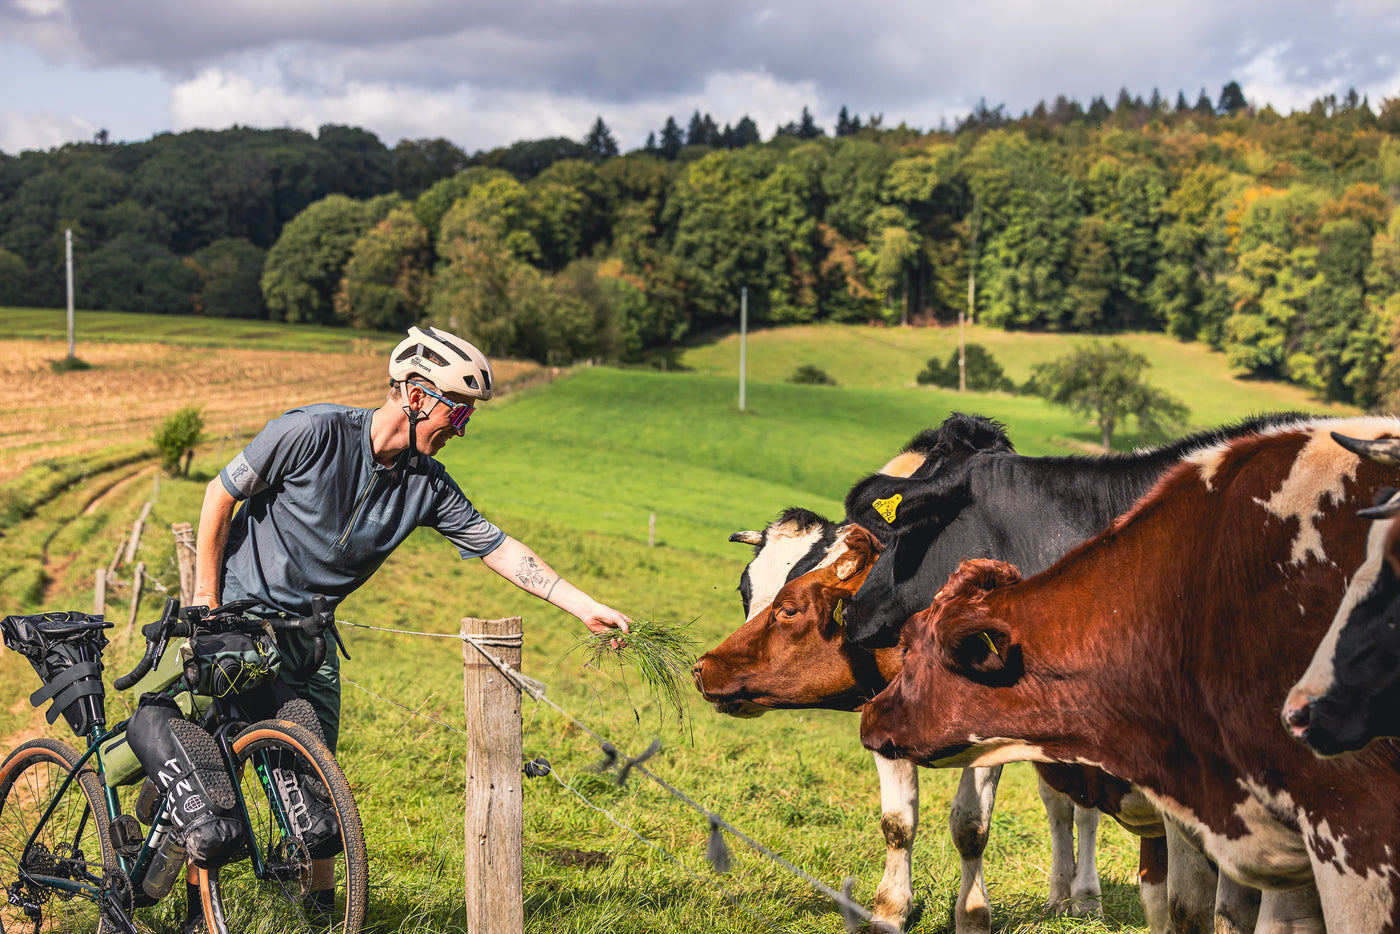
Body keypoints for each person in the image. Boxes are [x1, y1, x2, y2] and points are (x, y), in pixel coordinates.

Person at [177, 325, 631, 931]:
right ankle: (187, 903)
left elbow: (500, 548)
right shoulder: (311, 432)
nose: (461, 427)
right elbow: (218, 495)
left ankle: (319, 915)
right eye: (457, 409)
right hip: (239, 624)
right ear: (415, 395)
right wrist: (206, 605)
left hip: (311, 641)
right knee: (214, 773)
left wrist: (583, 606)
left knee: (320, 780)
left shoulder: (427, 486)